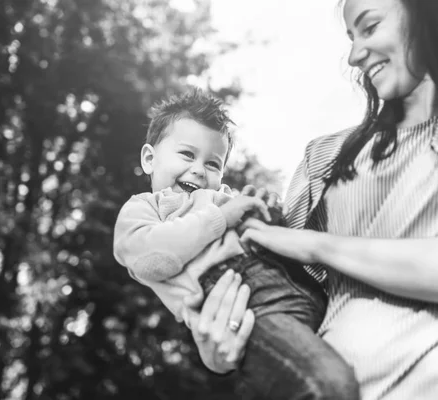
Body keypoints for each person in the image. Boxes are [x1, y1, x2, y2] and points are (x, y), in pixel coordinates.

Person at [181, 1, 438, 399]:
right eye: (351, 38)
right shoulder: (325, 159)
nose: (354, 56)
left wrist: (315, 245)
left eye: (369, 28)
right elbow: (289, 301)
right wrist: (222, 344)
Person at [113, 89, 360, 399]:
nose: (199, 169)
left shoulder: (226, 198)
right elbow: (151, 258)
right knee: (329, 385)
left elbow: (272, 236)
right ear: (150, 158)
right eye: (187, 154)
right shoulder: (145, 209)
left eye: (213, 164)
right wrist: (220, 217)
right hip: (256, 311)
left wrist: (267, 211)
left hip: (309, 291)